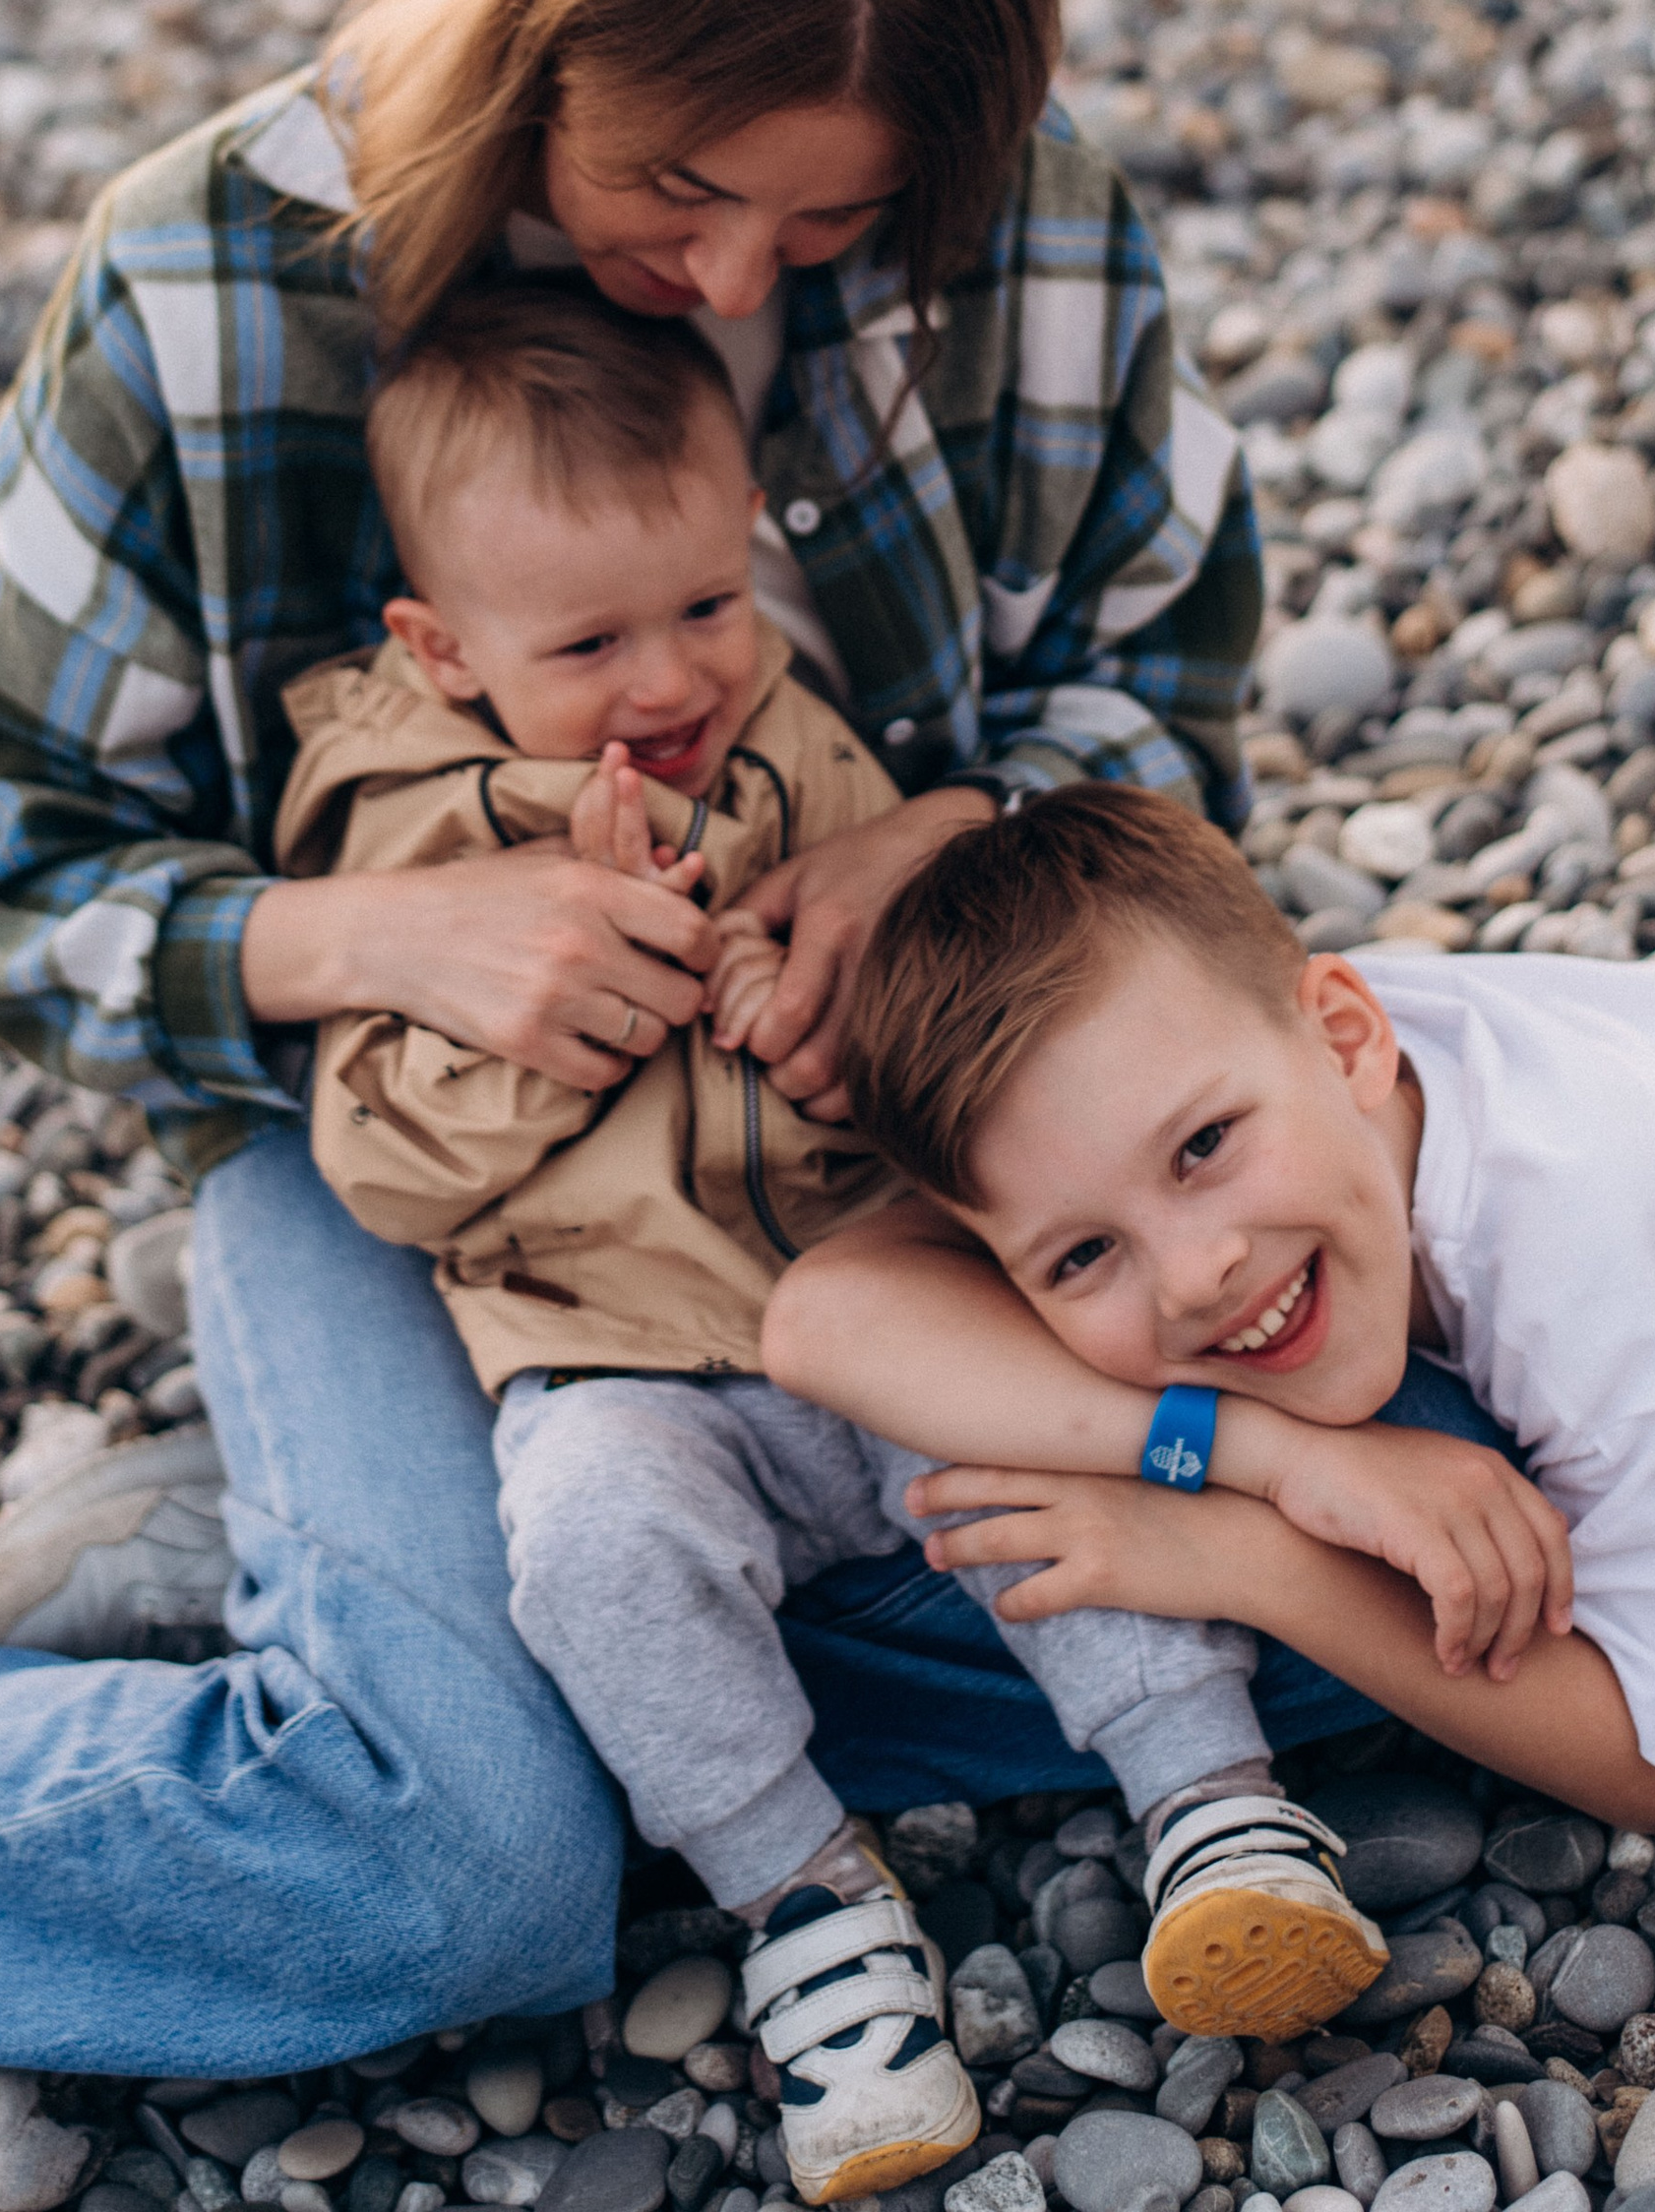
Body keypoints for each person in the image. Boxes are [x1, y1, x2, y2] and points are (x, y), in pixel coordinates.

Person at [0, 0, 1331, 2075]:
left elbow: (1160, 682)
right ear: (540, 35)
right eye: (676, 183)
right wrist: (377, 934)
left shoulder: (1024, 215)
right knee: (468, 1871)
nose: (731, 272)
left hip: (894, 1114)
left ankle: (326, 1593)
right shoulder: (205, 281)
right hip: (403, 1169)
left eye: (829, 220)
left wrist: (944, 839)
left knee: (1375, 1561)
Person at [277, 282, 1403, 2193]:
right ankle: (807, 1912)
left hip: (871, 1298)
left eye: (707, 606)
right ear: (439, 648)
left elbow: (955, 1068)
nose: (669, 676)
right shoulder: (398, 846)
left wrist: (829, 1015)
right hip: (617, 1353)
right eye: (588, 640)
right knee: (590, 1553)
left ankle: (1209, 1803)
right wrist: (563, 1026)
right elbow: (382, 1166)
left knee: (1041, 1471)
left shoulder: (797, 752)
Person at [767, 773, 1655, 1839]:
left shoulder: (1603, 1302)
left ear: (1349, 1032)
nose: (1195, 1274)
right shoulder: (1246, 1049)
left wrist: (1244, 1556)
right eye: (1084, 1253)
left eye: (1201, 1147)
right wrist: (1269, 1457)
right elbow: (821, 1317)